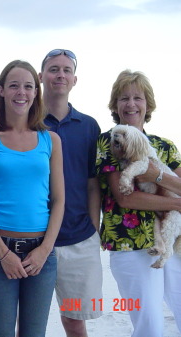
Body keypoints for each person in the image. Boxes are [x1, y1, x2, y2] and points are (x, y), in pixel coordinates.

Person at [0, 60, 65, 337]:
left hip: (41, 254)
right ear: (1, 91)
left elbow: (58, 200)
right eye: (13, 85)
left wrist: (45, 250)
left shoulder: (51, 140)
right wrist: (3, 253)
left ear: (36, 92)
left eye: (27, 86)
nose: (20, 92)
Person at [96, 70, 181, 337]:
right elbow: (125, 197)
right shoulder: (109, 140)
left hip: (174, 242)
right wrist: (176, 204)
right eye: (123, 98)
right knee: (150, 326)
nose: (131, 104)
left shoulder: (164, 146)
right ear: (115, 105)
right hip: (129, 243)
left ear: (148, 104)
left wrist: (156, 175)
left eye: (137, 98)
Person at [40, 49, 102, 337]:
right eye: (54, 69)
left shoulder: (89, 126)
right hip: (33, 239)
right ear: (41, 76)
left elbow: (93, 182)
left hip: (79, 240)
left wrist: (94, 227)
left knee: (75, 321)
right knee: (27, 324)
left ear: (74, 80)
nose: (60, 75)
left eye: (66, 70)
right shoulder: (27, 124)